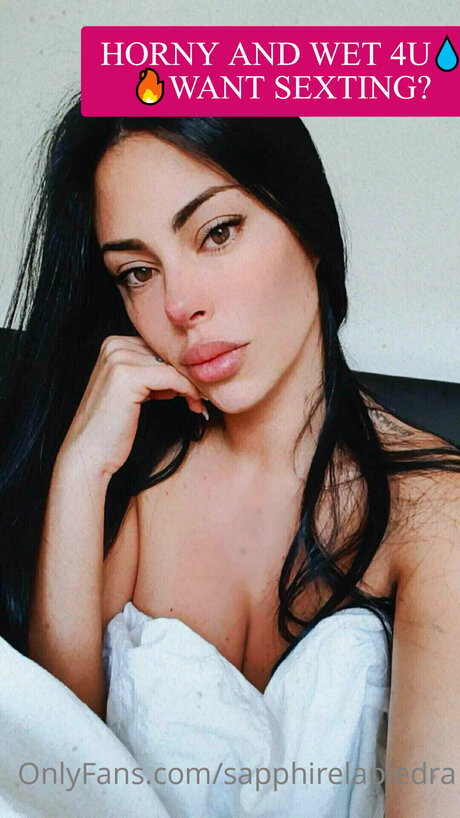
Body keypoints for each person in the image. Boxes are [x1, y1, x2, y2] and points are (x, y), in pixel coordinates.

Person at [0, 97, 459, 817]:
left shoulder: (432, 511)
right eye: (137, 272)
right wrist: (79, 470)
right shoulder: (137, 479)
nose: (179, 305)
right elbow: (53, 777)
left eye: (217, 232)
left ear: (306, 224)